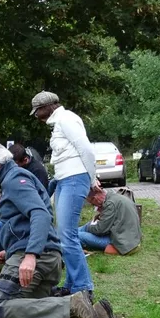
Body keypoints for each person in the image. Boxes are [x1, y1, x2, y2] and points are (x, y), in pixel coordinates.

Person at [0, 139, 125, 318]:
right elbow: (24, 221)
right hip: (47, 257)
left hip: (39, 257)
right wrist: (11, 251)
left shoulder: (14, 179)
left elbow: (40, 214)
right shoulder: (14, 178)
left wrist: (29, 255)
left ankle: (71, 304)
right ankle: (96, 317)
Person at [30, 91, 97, 298]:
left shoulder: (67, 119)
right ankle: (71, 284)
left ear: (48, 106)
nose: (37, 116)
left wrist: (92, 179)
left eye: (38, 111)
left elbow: (86, 149)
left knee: (67, 237)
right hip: (65, 179)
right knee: (64, 235)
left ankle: (83, 288)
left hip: (75, 178)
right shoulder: (60, 122)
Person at [78, 185, 142, 255]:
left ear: (95, 198)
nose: (94, 206)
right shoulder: (114, 197)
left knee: (78, 235)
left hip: (122, 242)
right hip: (130, 237)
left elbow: (100, 230)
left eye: (92, 203)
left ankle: (68, 236)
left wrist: (89, 227)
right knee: (85, 227)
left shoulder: (110, 204)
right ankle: (68, 232)